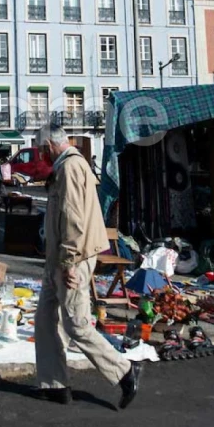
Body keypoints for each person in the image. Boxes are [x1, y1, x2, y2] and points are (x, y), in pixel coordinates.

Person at [33, 123, 141, 409]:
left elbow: (73, 220)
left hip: (72, 259)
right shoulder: (67, 166)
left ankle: (124, 371)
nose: (39, 156)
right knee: (45, 320)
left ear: (48, 147)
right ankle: (55, 384)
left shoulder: (70, 168)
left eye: (40, 150)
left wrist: (68, 262)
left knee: (77, 325)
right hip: (59, 259)